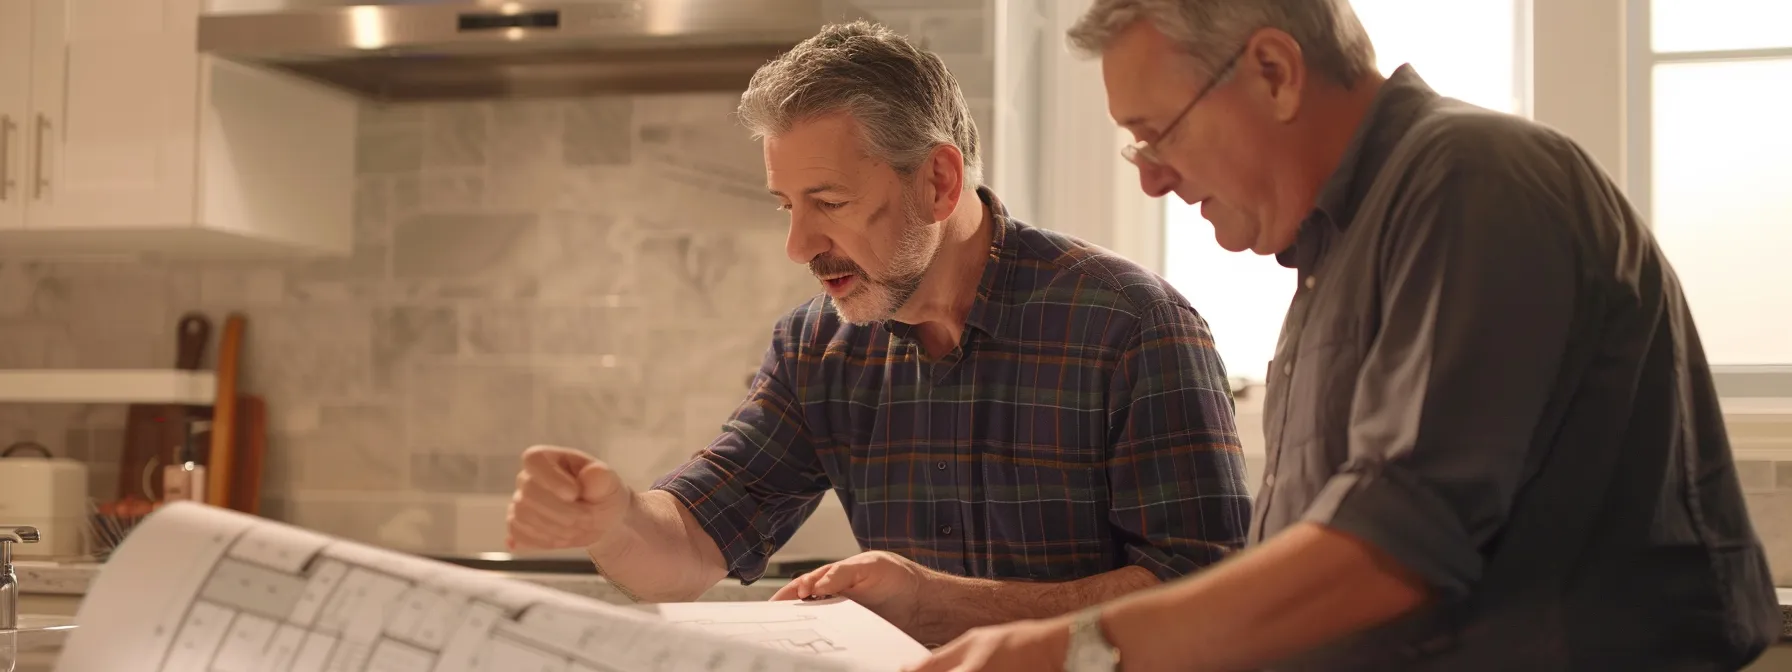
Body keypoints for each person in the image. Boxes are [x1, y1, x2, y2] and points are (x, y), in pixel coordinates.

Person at [907, 1, 1783, 671]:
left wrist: (1076, 649)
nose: (1153, 181)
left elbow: (1393, 546)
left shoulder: (1475, 181)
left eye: (1154, 136)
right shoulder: (1335, 258)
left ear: (1275, 71)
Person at [504, 20, 1253, 647]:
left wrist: (938, 603)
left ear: (938, 183)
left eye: (827, 201)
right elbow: (692, 543)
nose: (798, 245)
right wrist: (612, 519)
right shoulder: (816, 349)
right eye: (784, 205)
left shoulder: (1130, 325)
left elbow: (1209, 602)